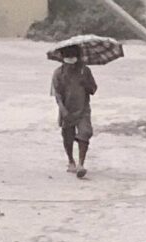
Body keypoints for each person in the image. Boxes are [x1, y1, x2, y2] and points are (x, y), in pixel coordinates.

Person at [51, 45, 97, 178]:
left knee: (85, 132)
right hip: (67, 109)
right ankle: (71, 160)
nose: (71, 66)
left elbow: (93, 89)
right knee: (67, 136)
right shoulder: (58, 73)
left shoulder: (85, 71)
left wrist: (85, 84)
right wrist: (63, 110)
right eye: (68, 62)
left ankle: (81, 164)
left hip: (83, 108)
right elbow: (57, 94)